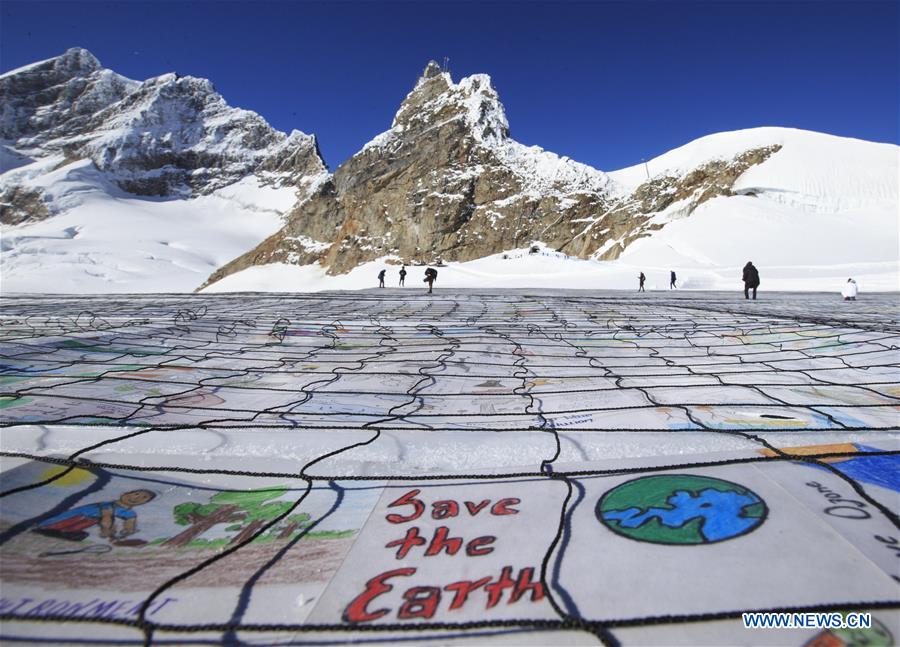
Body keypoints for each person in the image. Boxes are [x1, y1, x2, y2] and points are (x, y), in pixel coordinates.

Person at [32, 489, 156, 542]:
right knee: (58, 526)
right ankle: (47, 529)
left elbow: (129, 526)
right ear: (125, 493)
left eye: (144, 498)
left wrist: (126, 534)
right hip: (74, 517)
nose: (137, 497)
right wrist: (107, 532)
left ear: (145, 503)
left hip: (85, 522)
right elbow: (106, 519)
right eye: (136, 493)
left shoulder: (130, 513)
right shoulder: (107, 505)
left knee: (81, 533)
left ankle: (59, 532)